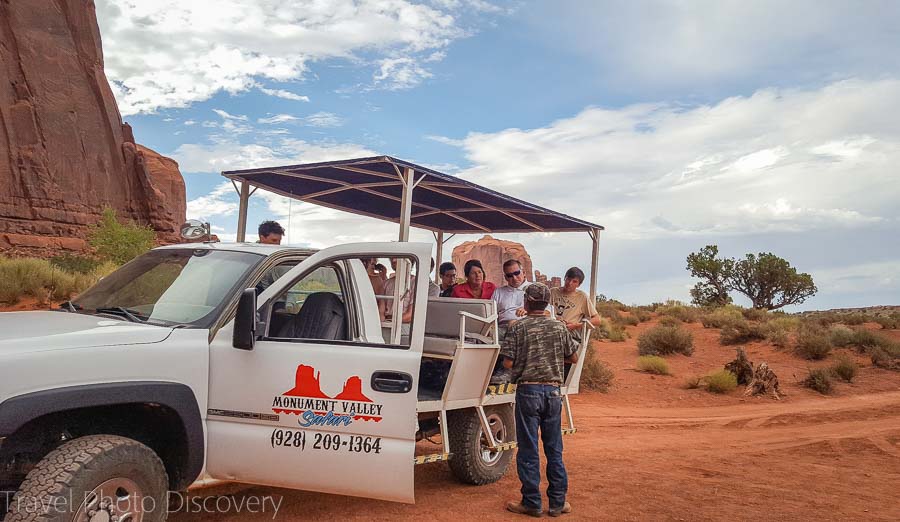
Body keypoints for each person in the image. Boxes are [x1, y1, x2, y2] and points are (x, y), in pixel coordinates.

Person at [501, 283, 578, 517]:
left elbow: (507, 363)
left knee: (528, 449)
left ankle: (532, 502)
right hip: (553, 393)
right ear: (546, 303)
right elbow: (573, 357)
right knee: (554, 449)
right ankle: (557, 503)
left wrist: (527, 361)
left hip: (528, 391)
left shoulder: (517, 328)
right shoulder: (559, 328)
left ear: (527, 302)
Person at [550, 267, 601, 338]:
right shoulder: (553, 292)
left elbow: (597, 320)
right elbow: (543, 310)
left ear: (579, 285)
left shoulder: (582, 297)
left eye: (574, 281)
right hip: (551, 329)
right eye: (568, 279)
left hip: (569, 333)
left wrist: (576, 325)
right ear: (565, 278)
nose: (570, 283)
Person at [492, 259, 531, 330]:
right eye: (510, 275)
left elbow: (548, 312)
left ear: (524, 272)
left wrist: (530, 311)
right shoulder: (498, 292)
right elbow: (490, 314)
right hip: (503, 328)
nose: (514, 278)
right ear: (506, 277)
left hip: (528, 326)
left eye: (517, 273)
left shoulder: (534, 288)